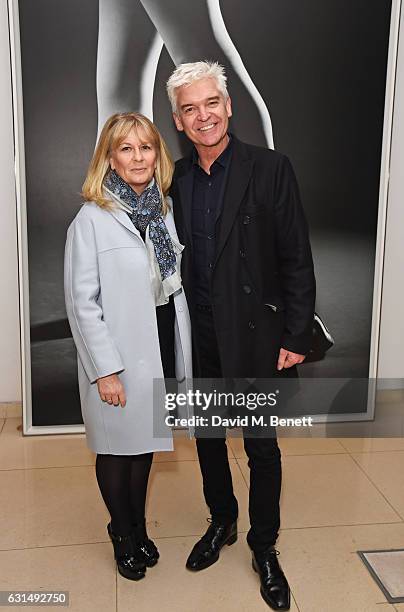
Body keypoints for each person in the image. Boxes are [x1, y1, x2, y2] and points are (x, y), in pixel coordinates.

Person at [166, 62, 316, 611]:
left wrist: (296, 332)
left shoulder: (271, 168)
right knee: (207, 439)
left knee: (260, 447)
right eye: (189, 108)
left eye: (210, 103)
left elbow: (297, 257)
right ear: (178, 121)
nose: (202, 115)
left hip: (255, 335)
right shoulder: (176, 179)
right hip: (200, 335)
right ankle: (223, 522)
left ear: (228, 107)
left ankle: (264, 545)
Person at [64, 112, 192, 581]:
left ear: (157, 155)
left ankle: (137, 526)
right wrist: (105, 370)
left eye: (146, 147)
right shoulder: (91, 219)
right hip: (116, 359)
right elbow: (82, 304)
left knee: (143, 449)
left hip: (156, 347)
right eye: (126, 149)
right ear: (110, 159)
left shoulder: (163, 212)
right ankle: (122, 533)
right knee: (117, 451)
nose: (138, 157)